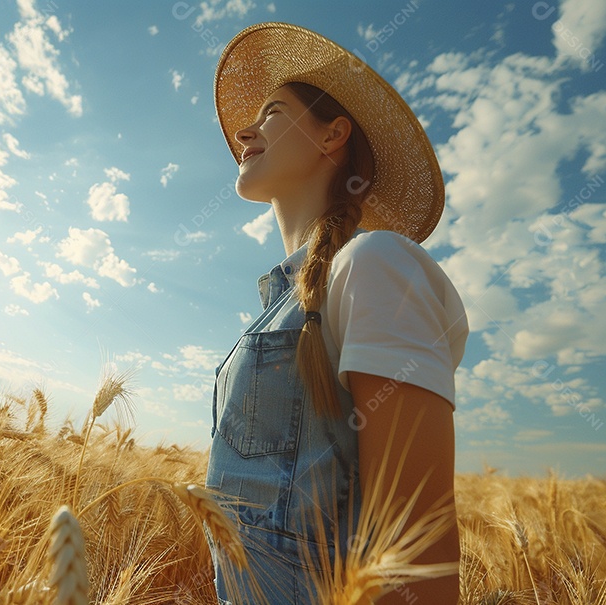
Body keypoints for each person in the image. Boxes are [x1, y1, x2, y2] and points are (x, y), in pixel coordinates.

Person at [204, 23, 469, 604]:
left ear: (333, 135)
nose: (245, 130)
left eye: (272, 112)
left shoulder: (374, 265)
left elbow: (415, 555)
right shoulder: (282, 305)